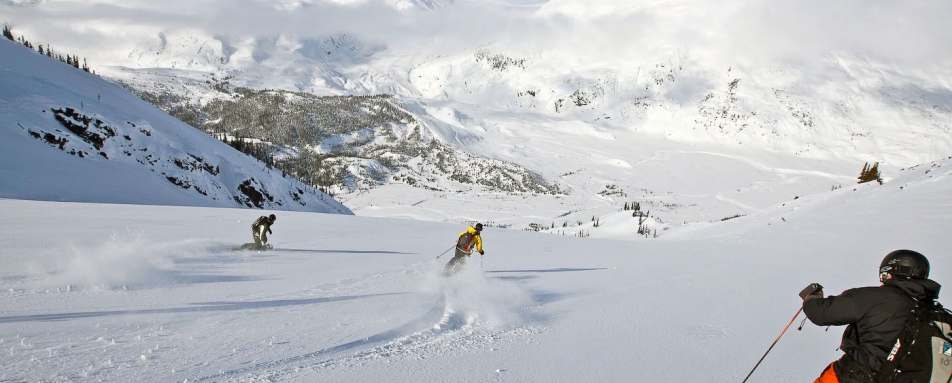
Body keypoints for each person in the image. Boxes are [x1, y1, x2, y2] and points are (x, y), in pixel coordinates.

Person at [800, 250, 942, 383]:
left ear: (889, 271)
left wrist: (811, 298)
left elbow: (821, 313)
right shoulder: (935, 314)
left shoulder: (875, 297)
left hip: (856, 376)